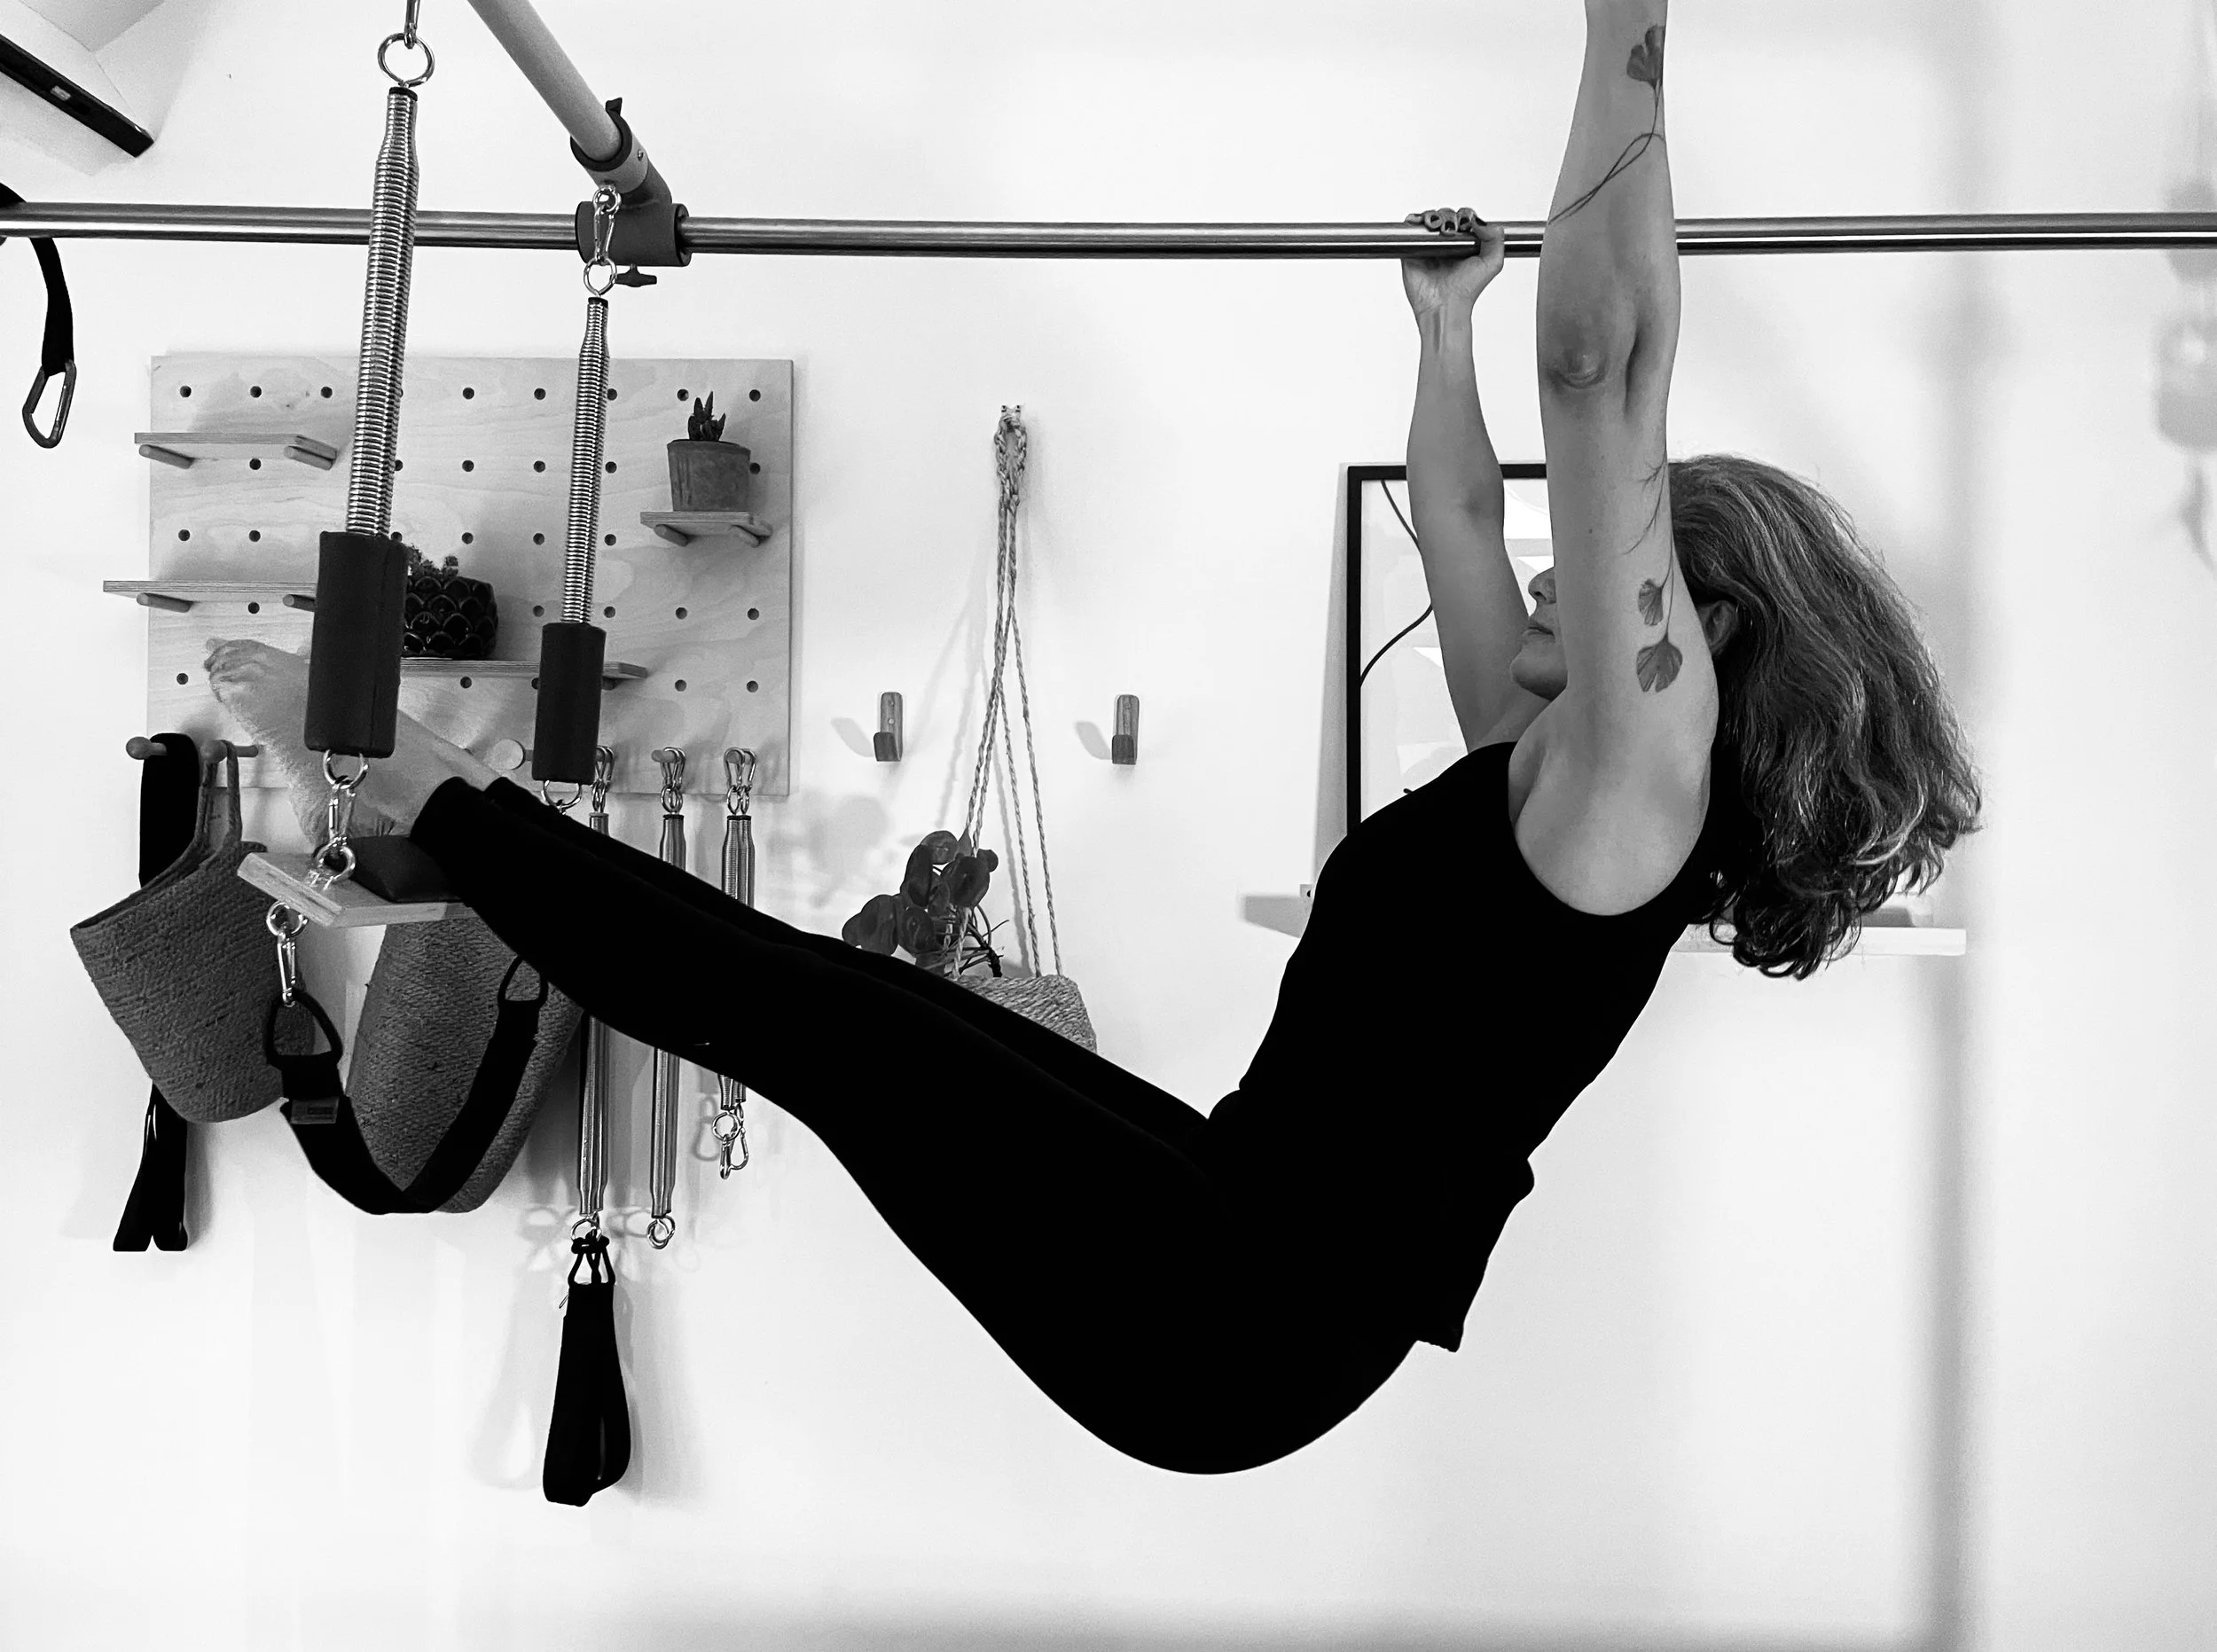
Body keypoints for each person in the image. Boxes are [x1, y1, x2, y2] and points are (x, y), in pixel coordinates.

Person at [204, 0, 1978, 1476]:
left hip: (1230, 1319)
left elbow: (1602, 370)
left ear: (1705, 632)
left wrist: (1621, 22)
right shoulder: (1549, 762)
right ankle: (456, 818)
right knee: (855, 1001)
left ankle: (440, 799)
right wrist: (1444, 331)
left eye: (1607, 562)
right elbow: (1455, 517)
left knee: (813, 1016)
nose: (1552, 574)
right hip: (1230, 1226)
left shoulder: (1630, 791)